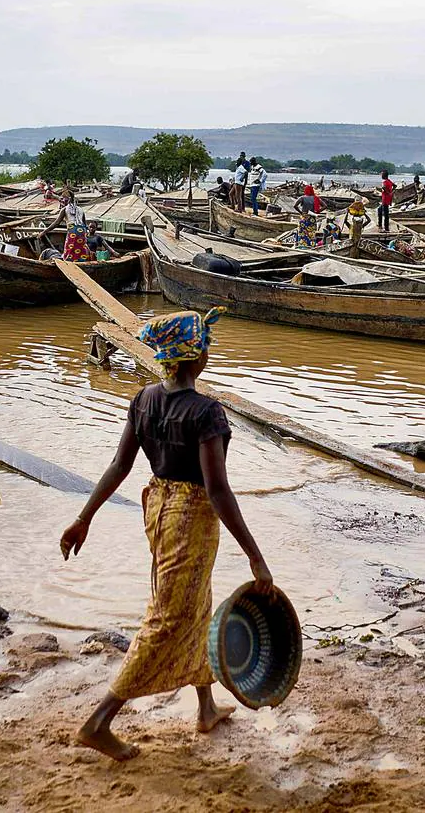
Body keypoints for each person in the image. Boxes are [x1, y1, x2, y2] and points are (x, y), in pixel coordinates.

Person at [60, 307, 275, 761]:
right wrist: (255, 557)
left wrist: (85, 516)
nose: (209, 352)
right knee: (168, 618)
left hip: (157, 508)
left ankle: (205, 707)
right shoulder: (206, 412)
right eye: (206, 344)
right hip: (190, 517)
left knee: (194, 604)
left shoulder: (144, 399)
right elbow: (217, 490)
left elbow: (121, 466)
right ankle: (99, 722)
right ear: (195, 356)